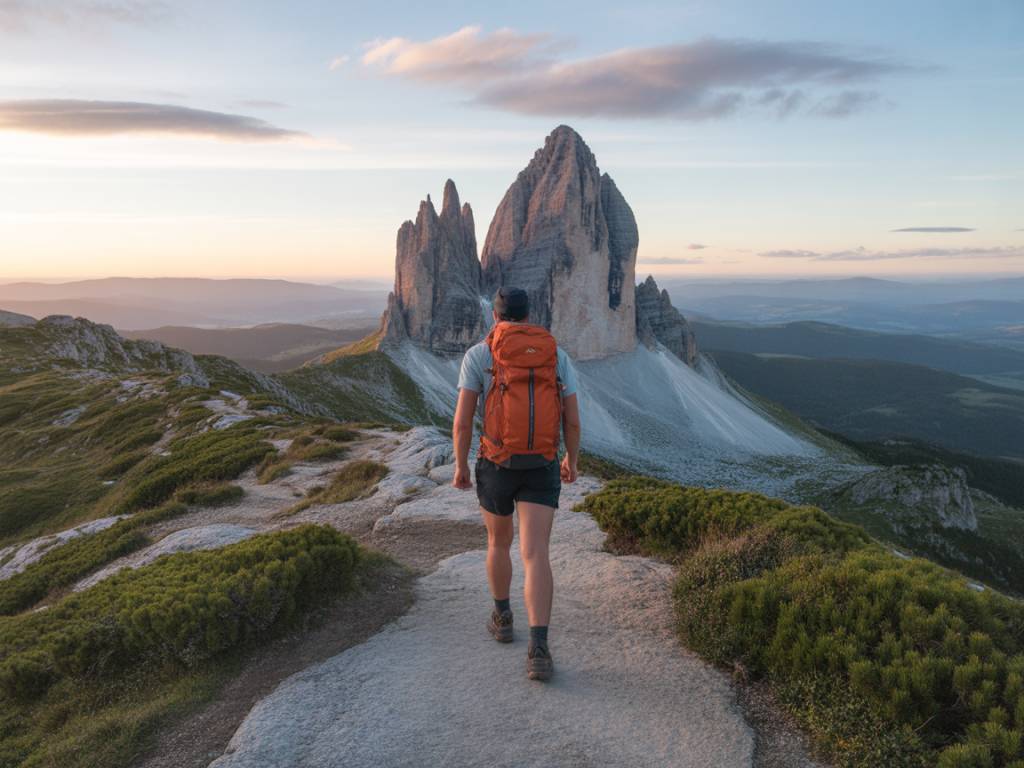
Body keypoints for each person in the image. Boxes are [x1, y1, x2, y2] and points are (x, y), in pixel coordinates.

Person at [452, 286, 581, 682]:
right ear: (529, 315)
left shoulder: (479, 355)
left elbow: (462, 421)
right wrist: (571, 460)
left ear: (495, 315)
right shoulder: (556, 355)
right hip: (541, 464)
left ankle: (503, 617)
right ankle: (539, 649)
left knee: (498, 542)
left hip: (496, 463)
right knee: (536, 553)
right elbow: (572, 420)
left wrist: (460, 467)